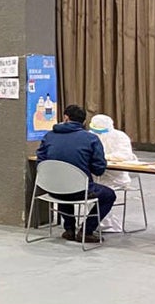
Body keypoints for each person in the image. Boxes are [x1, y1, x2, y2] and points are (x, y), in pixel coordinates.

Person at [36, 104, 116, 243]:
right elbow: (99, 169)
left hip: (51, 187)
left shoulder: (49, 136)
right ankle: (86, 230)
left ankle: (69, 229)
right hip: (79, 190)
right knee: (108, 195)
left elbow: (41, 162)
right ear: (84, 122)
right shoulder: (91, 139)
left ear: (65, 118)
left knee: (62, 183)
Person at [88, 114, 137, 232]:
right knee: (91, 193)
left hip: (116, 176)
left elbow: (125, 155)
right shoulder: (89, 136)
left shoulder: (120, 137)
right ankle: (93, 225)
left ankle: (98, 225)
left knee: (103, 195)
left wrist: (104, 157)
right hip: (95, 175)